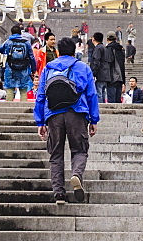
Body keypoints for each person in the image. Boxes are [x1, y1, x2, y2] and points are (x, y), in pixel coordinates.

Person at [34, 35, 100, 205]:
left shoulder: (48, 68)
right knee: (79, 150)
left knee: (56, 154)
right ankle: (76, 175)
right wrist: (94, 119)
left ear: (58, 51)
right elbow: (92, 95)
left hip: (53, 114)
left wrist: (40, 122)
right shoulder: (82, 68)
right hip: (77, 112)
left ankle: (59, 195)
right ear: (73, 51)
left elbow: (40, 95)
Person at [0, 24, 36, 100]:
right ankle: (24, 108)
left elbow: (1, 50)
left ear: (11, 33)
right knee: (23, 90)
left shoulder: (8, 42)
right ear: (20, 33)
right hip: (24, 68)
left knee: (10, 89)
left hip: (10, 68)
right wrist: (33, 69)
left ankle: (8, 108)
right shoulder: (26, 43)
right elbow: (31, 57)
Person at [105, 33, 125, 103]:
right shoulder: (121, 48)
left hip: (111, 78)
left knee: (111, 101)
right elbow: (122, 64)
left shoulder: (108, 48)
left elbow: (109, 62)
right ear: (116, 39)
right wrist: (124, 82)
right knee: (118, 101)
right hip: (120, 78)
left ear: (107, 39)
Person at [90, 33, 110, 102]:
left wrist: (93, 73)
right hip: (106, 74)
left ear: (93, 39)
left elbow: (96, 61)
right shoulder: (104, 48)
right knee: (103, 93)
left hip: (100, 75)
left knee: (99, 94)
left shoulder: (98, 48)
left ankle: (100, 109)